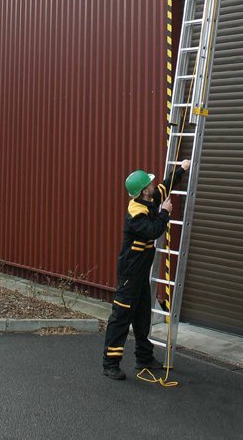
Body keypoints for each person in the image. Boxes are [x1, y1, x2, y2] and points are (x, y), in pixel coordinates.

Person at [102, 159, 191, 380]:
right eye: (149, 183)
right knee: (121, 317)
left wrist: (182, 169)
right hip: (130, 275)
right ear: (144, 191)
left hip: (140, 274)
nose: (153, 185)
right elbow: (152, 231)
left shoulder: (148, 199)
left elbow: (164, 187)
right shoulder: (136, 213)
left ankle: (144, 357)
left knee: (142, 316)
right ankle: (110, 363)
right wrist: (165, 213)